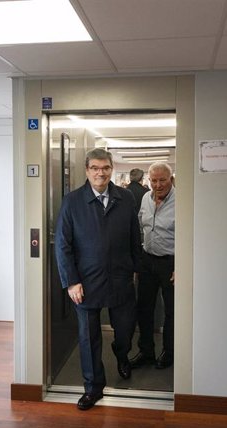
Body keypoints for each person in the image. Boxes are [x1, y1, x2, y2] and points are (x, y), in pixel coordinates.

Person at [55, 148, 141, 410]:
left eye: (105, 167)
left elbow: (133, 237)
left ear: (111, 169)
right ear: (87, 170)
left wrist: (136, 269)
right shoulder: (72, 201)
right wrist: (71, 281)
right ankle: (93, 387)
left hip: (121, 277)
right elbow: (63, 244)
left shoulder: (125, 198)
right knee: (88, 336)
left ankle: (122, 354)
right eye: (94, 167)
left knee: (125, 329)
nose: (100, 173)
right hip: (86, 281)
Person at [130, 162, 175, 370]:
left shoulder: (181, 202)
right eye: (154, 180)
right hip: (147, 261)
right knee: (144, 308)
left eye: (162, 180)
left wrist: (182, 266)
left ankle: (169, 352)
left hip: (171, 263)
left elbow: (190, 236)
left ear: (171, 180)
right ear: (148, 181)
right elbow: (140, 227)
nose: (158, 185)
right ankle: (146, 351)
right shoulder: (145, 199)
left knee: (171, 311)